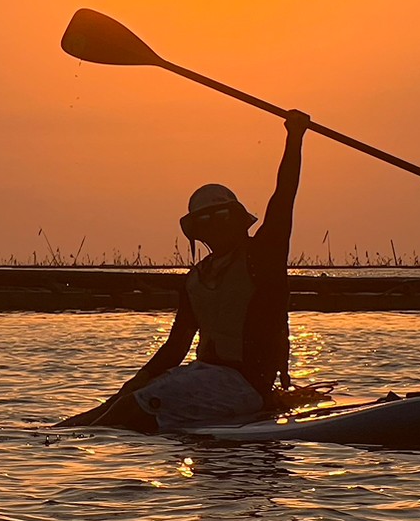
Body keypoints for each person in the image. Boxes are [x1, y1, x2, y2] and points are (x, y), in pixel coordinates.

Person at [56, 108, 310, 433]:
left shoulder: (262, 257)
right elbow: (176, 346)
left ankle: (76, 436)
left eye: (221, 218)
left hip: (245, 386)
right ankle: (55, 432)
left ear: (235, 219)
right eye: (205, 222)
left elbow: (284, 197)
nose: (214, 228)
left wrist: (294, 137)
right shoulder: (196, 279)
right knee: (123, 400)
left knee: (133, 407)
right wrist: (140, 379)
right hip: (205, 376)